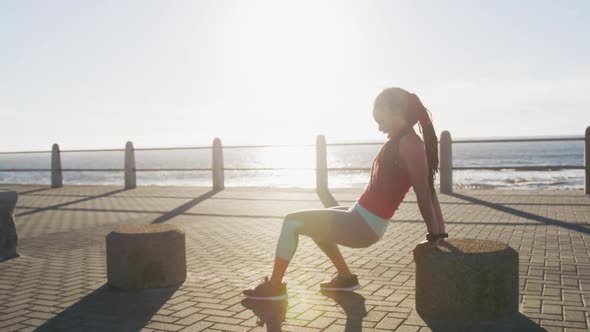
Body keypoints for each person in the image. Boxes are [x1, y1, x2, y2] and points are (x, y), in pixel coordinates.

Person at [243, 87, 447, 300]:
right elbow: (428, 191)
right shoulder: (402, 141)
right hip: (358, 216)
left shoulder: (410, 144)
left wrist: (435, 235)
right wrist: (438, 233)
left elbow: (425, 192)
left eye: (381, 120)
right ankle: (345, 278)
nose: (379, 128)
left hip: (363, 225)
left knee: (291, 221)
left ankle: (275, 287)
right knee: (315, 227)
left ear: (397, 113)